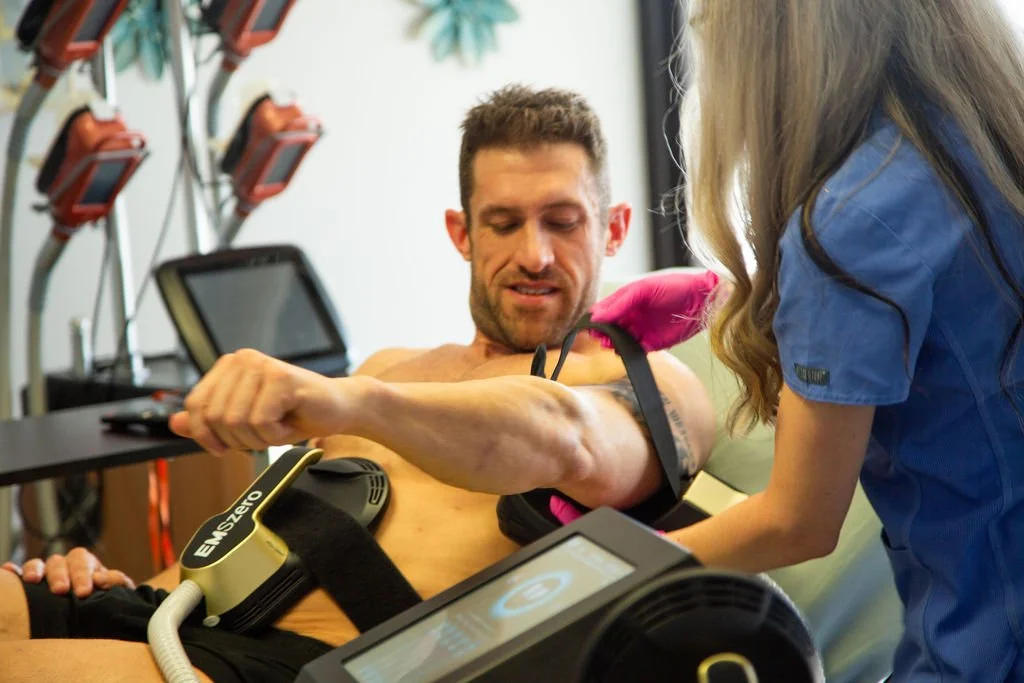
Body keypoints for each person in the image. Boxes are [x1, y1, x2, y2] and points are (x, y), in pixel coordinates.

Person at [0, 85, 716, 683]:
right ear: (462, 233)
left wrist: (349, 399)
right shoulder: (390, 367)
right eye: (503, 223)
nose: (534, 254)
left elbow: (572, 439)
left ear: (615, 228)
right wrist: (120, 581)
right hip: (180, 615)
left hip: (316, 663)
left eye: (563, 222)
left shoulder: (647, 384)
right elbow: (261, 534)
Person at [587, 1, 1024, 681]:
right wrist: (738, 293)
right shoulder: (984, 133)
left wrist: (616, 578)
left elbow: (799, 520)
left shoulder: (847, 228)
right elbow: (940, 279)